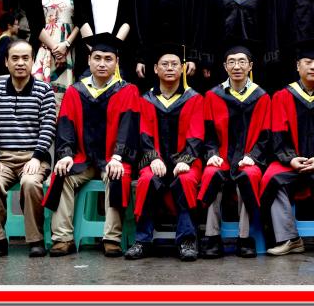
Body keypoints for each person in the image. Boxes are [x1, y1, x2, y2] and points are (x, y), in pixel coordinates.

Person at [42, 34, 141, 258]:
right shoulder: (75, 91)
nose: (102, 63)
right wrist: (66, 155)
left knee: (118, 175)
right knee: (61, 173)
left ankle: (111, 239)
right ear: (89, 60)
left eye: (108, 59)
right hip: (82, 158)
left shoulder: (127, 91)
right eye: (97, 58)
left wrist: (118, 157)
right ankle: (62, 238)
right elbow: (65, 125)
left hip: (112, 158)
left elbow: (129, 127)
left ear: (116, 62)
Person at [259, 41, 314, 257]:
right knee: (271, 177)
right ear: (298, 66)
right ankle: (289, 239)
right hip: (290, 160)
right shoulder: (282, 96)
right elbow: (278, 133)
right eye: (308, 62)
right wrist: (290, 159)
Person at [125, 44, 205, 262]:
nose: (170, 68)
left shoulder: (194, 99)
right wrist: (153, 158)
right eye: (165, 64)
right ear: (155, 69)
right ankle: (142, 241)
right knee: (147, 180)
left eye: (174, 64)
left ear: (182, 68)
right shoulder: (146, 100)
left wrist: (185, 160)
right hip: (154, 161)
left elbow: (196, 134)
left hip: (187, 162)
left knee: (186, 180)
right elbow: (143, 133)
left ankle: (187, 241)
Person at [0, 39, 57, 258]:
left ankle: (35, 239)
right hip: (3, 158)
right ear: (6, 62)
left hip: (33, 157)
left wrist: (37, 157)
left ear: (33, 61)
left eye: (25, 58)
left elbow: (48, 128)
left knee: (31, 183)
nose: (20, 63)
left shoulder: (44, 91)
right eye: (15, 58)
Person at [198, 43, 272, 259]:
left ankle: (244, 238)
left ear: (250, 66)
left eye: (242, 62)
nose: (237, 66)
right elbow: (208, 134)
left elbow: (266, 136)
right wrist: (212, 155)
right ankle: (212, 237)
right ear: (225, 66)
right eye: (231, 62)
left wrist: (253, 157)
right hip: (221, 158)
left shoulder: (262, 97)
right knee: (211, 174)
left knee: (248, 177)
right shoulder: (212, 96)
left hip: (249, 159)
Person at [23, 0, 79, 99]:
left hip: (70, 47)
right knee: (41, 95)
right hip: (44, 46)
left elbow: (82, 20)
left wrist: (66, 45)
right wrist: (56, 48)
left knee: (68, 96)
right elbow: (35, 24)